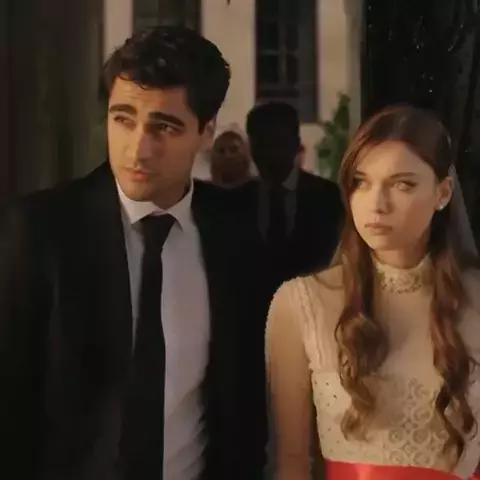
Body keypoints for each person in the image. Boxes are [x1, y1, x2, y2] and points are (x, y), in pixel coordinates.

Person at [0, 26, 267, 479]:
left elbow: (242, 406)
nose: (138, 149)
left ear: (206, 132)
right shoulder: (41, 231)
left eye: (164, 127)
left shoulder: (236, 236)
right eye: (123, 119)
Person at [266, 105, 480, 479]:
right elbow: (292, 462)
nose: (377, 204)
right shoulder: (301, 303)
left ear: (443, 193)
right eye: (361, 182)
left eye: (402, 184)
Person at [245, 101, 344, 294]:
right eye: (259, 144)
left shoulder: (327, 198)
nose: (267, 153)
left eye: (276, 142)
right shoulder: (239, 200)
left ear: (296, 144)